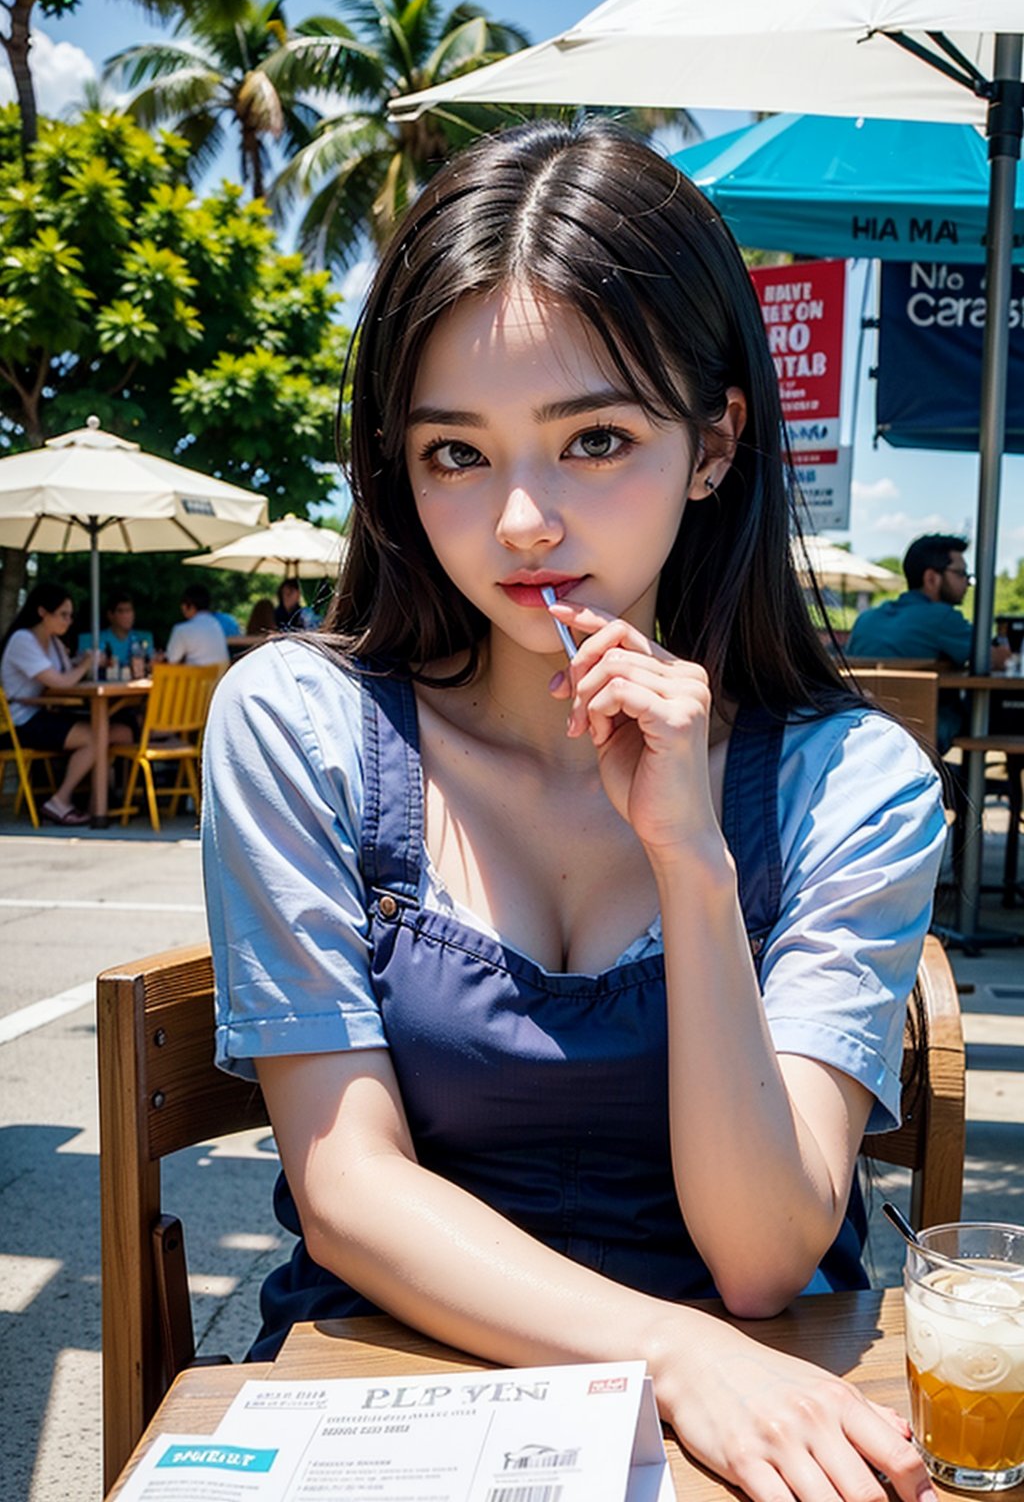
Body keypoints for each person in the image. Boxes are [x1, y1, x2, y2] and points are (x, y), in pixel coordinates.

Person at [202, 121, 946, 1502]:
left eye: (594, 438)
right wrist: (666, 1356)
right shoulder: (301, 727)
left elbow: (765, 1252)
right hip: (390, 1399)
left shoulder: (851, 781)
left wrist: (693, 859)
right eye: (455, 456)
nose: (524, 521)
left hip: (761, 1422)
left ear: (715, 441)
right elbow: (348, 1187)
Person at [845, 533, 1008, 750]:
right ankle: (980, 782)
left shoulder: (867, 618)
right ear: (932, 578)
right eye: (961, 574)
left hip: (860, 726)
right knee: (996, 718)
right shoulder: (941, 617)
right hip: (920, 730)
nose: (967, 583)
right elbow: (995, 660)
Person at [0, 581, 133, 824]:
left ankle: (100, 798)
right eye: (63, 615)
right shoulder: (23, 640)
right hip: (20, 721)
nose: (68, 621)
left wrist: (86, 662)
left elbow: (67, 671)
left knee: (121, 732)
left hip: (43, 712)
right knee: (97, 736)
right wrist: (84, 664)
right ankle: (60, 801)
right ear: (42, 612)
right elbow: (61, 682)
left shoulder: (52, 642)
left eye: (70, 616)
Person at [77, 591, 155, 674]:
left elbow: (150, 664)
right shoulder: (93, 640)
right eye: (121, 611)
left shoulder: (144, 638)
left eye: (129, 610)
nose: (126, 615)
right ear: (110, 615)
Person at [164, 584, 229, 667]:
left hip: (195, 679)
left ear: (187, 606)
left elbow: (172, 660)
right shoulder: (216, 624)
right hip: (219, 677)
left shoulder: (182, 630)